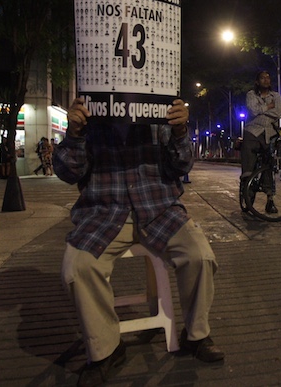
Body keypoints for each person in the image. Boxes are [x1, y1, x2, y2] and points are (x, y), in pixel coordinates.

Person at [53, 97, 224, 387]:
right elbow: (68, 173)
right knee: (78, 268)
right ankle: (106, 350)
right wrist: (75, 132)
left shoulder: (158, 108)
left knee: (200, 256)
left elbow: (181, 166)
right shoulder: (91, 111)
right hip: (104, 213)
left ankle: (196, 334)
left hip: (159, 209)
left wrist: (181, 131)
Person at [241, 70, 281, 214]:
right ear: (257, 82)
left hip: (270, 133)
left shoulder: (276, 96)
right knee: (248, 167)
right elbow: (252, 110)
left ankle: (270, 200)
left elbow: (278, 112)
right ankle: (248, 198)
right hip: (252, 132)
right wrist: (267, 107)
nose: (266, 80)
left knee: (269, 167)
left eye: (268, 77)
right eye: (262, 78)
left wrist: (262, 110)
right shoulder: (251, 95)